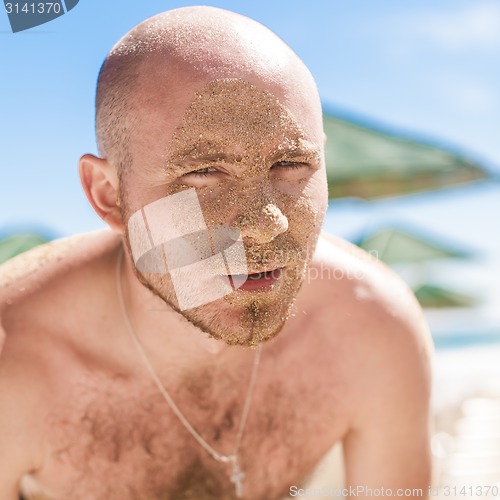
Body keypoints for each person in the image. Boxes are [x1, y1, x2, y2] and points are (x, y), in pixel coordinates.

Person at [0, 6, 432, 500]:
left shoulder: (372, 327)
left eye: (292, 163)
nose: (269, 225)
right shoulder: (15, 364)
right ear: (107, 195)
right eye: (205, 173)